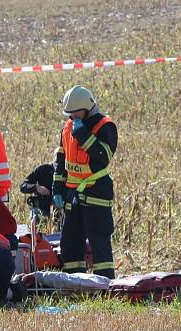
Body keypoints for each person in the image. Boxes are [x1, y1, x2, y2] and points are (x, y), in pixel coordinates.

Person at [52, 85, 118, 279]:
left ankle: (105, 285)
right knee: (70, 242)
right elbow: (61, 161)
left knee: (99, 241)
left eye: (74, 113)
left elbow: (103, 157)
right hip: (73, 194)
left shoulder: (105, 125)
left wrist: (83, 135)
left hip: (96, 191)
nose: (71, 117)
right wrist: (57, 189)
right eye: (69, 114)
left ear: (87, 108)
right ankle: (75, 282)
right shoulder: (67, 126)